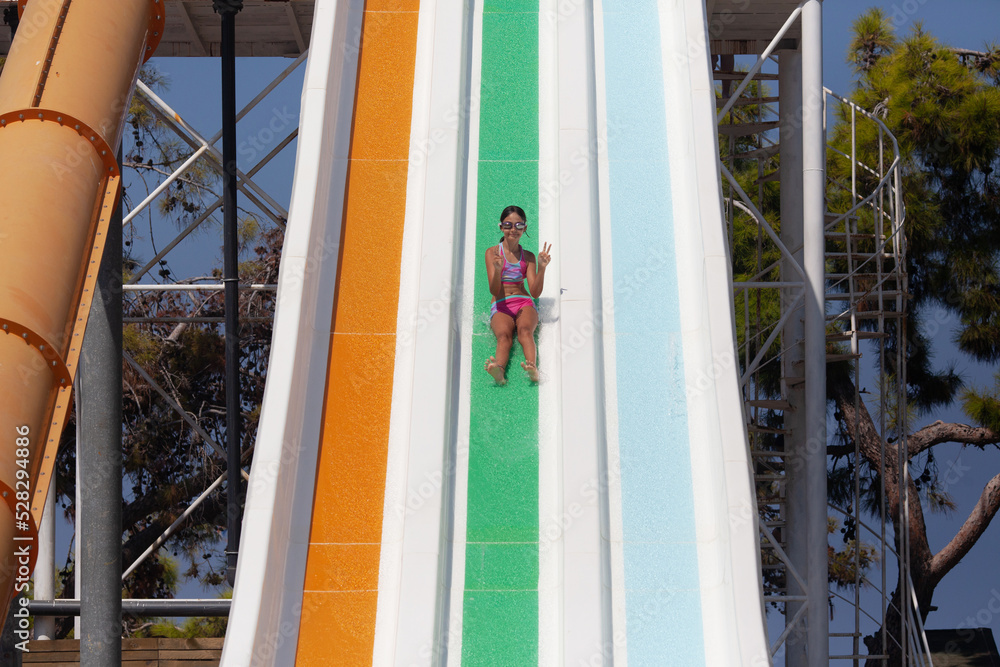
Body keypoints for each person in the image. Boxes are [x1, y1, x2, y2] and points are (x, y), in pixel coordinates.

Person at [483, 205, 552, 384]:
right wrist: (498, 270)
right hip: (501, 303)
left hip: (523, 302)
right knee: (504, 337)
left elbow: (535, 292)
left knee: (525, 332)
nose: (513, 230)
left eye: (519, 226)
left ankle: (532, 368)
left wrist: (542, 269)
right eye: (508, 225)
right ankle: (499, 371)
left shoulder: (528, 256)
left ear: (525, 228)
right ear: (501, 227)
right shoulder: (492, 253)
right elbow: (494, 290)